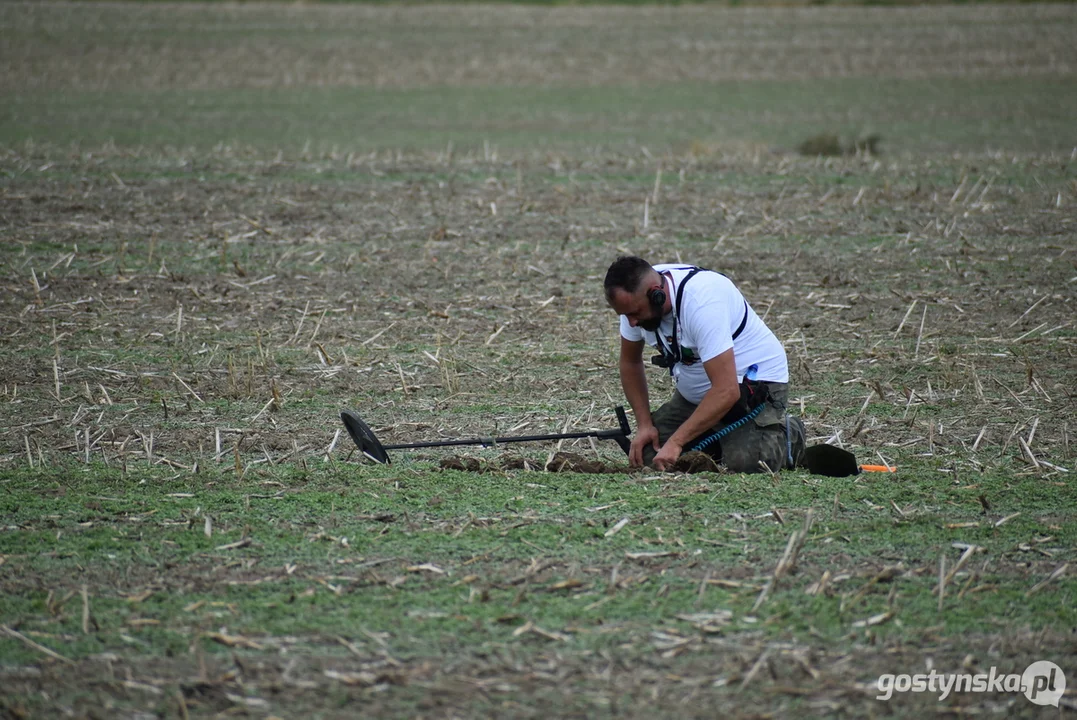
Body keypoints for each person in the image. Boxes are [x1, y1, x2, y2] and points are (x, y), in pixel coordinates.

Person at [604, 256, 805, 472]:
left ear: (657, 294)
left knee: (750, 465)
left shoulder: (702, 302)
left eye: (634, 313)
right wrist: (644, 425)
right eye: (625, 316)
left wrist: (676, 442)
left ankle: (789, 434)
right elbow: (630, 363)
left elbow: (727, 390)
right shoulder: (635, 299)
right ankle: (720, 437)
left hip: (752, 388)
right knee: (649, 458)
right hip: (699, 395)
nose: (632, 322)